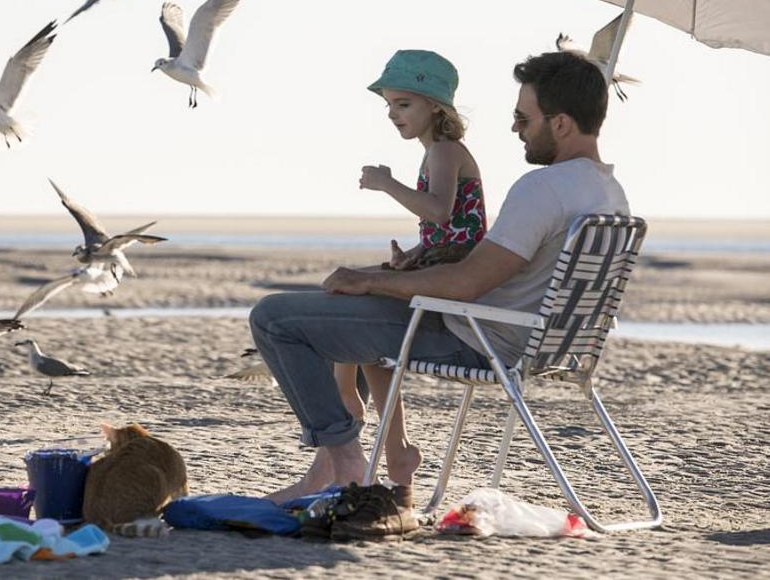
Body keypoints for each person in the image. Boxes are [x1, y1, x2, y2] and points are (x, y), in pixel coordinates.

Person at [249, 51, 628, 532]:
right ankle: (377, 452)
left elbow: (466, 282)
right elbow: (494, 268)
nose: (515, 128)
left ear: (562, 123)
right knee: (363, 301)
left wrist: (371, 279)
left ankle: (343, 462)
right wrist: (401, 271)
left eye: (522, 118)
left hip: (479, 338)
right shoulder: (610, 193)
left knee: (274, 318)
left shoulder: (544, 188)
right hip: (535, 342)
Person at [334, 49, 487, 423]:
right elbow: (452, 225)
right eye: (389, 105)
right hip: (441, 261)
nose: (392, 114)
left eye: (403, 104)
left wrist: (387, 184)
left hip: (453, 272)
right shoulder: (436, 152)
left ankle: (346, 395)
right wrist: (417, 253)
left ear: (435, 106)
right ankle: (383, 425)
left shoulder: (445, 150)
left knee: (342, 286)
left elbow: (439, 210)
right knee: (344, 289)